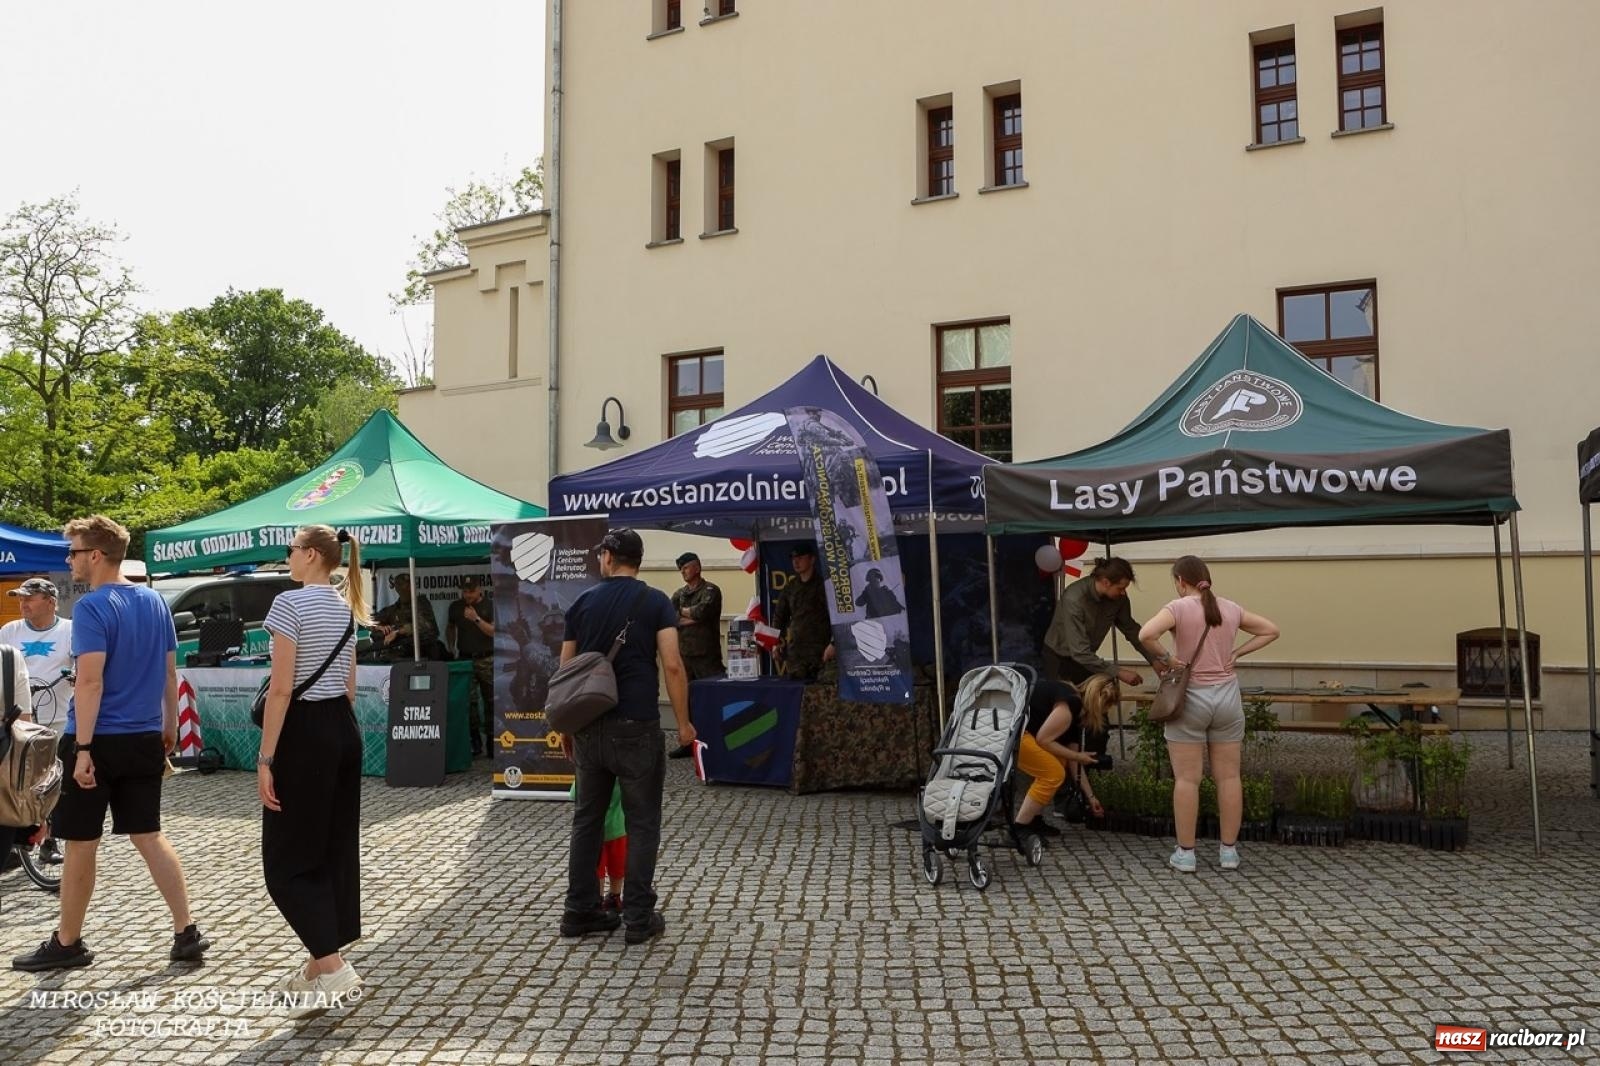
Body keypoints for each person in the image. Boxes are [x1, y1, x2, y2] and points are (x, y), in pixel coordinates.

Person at [13, 515, 209, 973]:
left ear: (96, 555)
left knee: (81, 842)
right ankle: (186, 931)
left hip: (98, 740)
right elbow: (169, 673)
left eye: (74, 553)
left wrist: (82, 750)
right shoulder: (154, 601)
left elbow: (90, 682)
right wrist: (168, 725)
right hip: (144, 737)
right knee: (149, 835)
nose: (70, 560)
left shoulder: (92, 607)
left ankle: (68, 942)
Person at [559, 528, 694, 946]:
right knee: (642, 821)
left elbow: (565, 670)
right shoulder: (656, 601)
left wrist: (565, 726)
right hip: (637, 725)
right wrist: (684, 724)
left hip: (589, 726)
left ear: (609, 557)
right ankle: (637, 916)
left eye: (601, 553)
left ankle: (579, 912)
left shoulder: (582, 602)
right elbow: (672, 665)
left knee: (587, 819)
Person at [258, 525, 370, 1000]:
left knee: (284, 864)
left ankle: (334, 966)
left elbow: (281, 689)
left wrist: (266, 758)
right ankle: (314, 972)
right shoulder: (346, 606)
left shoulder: (289, 604)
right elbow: (349, 687)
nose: (287, 557)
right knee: (331, 849)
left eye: (291, 549)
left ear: (310, 555)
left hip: (304, 733)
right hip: (342, 729)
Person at [1138, 555, 1280, 874]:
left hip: (1190, 698)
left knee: (1187, 779)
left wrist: (1168, 658)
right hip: (1227, 696)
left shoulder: (1177, 608)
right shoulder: (1229, 608)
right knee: (1229, 777)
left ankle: (1186, 854)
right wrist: (1237, 652)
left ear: (1180, 581)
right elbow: (1271, 630)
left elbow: (1146, 634)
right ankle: (1229, 852)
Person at [1042, 557, 1170, 758]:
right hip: (1060, 659)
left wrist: (1153, 659)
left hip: (1087, 659)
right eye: (1121, 588)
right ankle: (1064, 768)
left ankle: (1096, 763)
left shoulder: (1118, 599)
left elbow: (1131, 630)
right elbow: (1079, 652)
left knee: (1099, 712)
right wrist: (1118, 672)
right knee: (1066, 714)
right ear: (1105, 582)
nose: (1124, 592)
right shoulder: (1074, 599)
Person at [1012, 675, 1119, 839]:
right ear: (1100, 702)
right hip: (1012, 733)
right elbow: (1043, 739)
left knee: (1058, 762)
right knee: (1053, 774)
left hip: (1018, 731)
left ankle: (1034, 820)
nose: (1105, 712)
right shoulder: (1070, 703)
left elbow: (1073, 761)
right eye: (1107, 706)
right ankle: (1019, 828)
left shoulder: (1075, 711)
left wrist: (1091, 797)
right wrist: (1078, 756)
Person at [667, 551, 723, 759]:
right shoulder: (678, 595)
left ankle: (715, 740)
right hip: (685, 656)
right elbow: (671, 619)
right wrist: (691, 616)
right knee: (686, 700)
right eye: (680, 569)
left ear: (697, 567)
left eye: (686, 567)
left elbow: (703, 612)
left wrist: (683, 613)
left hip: (707, 656)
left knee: (711, 698)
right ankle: (688, 742)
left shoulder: (711, 591)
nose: (683, 571)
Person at [1, 578, 74, 715]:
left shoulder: (71, 630)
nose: (23, 604)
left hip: (62, 718)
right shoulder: (8, 631)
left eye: (29, 599)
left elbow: (82, 669)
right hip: (18, 719)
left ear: (51, 602)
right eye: (21, 599)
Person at [770, 542, 835, 682]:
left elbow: (837, 617)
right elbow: (779, 617)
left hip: (821, 654)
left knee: (821, 692)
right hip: (797, 656)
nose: (796, 562)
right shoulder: (791, 588)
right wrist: (775, 642)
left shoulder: (824, 587)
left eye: (800, 558)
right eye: (793, 559)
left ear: (812, 559)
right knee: (796, 692)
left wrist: (833, 644)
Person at [447, 576, 496, 756]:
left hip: (487, 659)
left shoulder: (490, 605)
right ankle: (475, 741)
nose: (467, 595)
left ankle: (492, 740)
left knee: (491, 701)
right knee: (469, 702)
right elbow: (450, 627)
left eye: (471, 591)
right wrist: (451, 645)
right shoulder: (456, 607)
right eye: (465, 591)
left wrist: (476, 619)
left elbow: (494, 632)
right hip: (465, 659)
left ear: (479, 589)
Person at [370, 572, 440, 661]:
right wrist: (379, 627)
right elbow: (368, 621)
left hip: (425, 656)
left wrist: (398, 632)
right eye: (405, 586)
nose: (409, 589)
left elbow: (426, 626)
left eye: (410, 586)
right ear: (397, 589)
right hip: (403, 658)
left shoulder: (421, 603)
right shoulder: (394, 609)